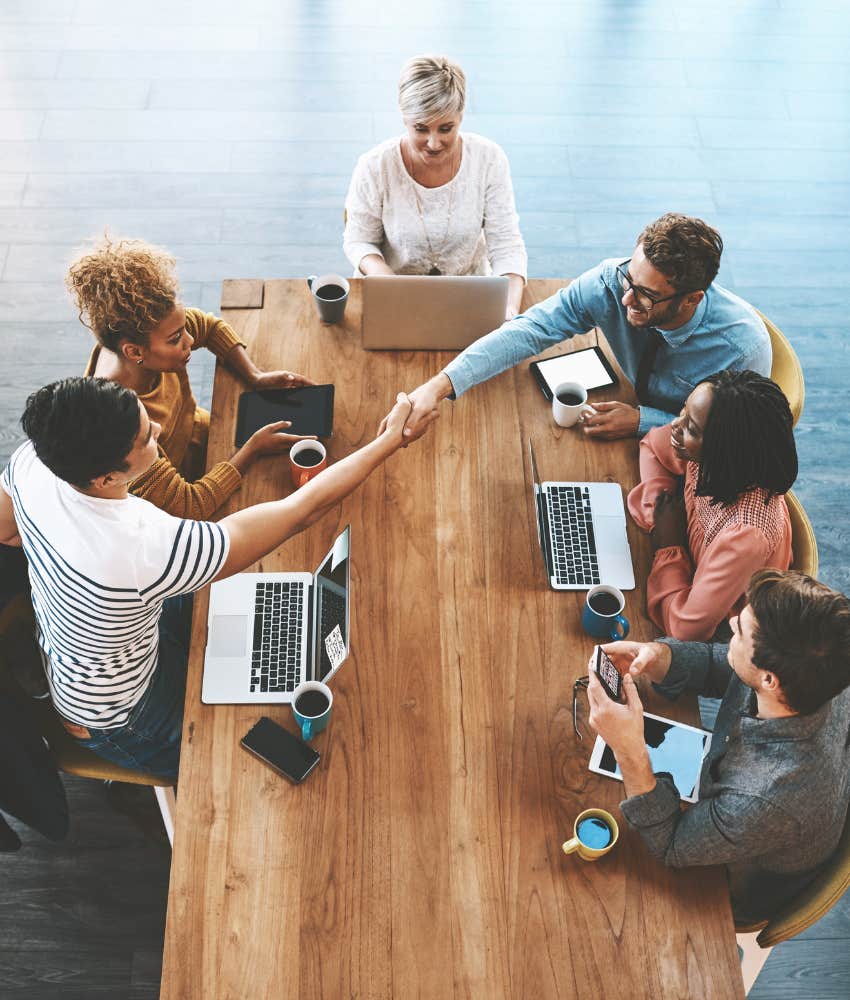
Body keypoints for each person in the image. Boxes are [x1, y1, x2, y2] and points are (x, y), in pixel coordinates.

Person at [0, 377, 413, 779]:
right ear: (106, 478)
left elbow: (5, 530)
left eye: (146, 419)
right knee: (226, 767)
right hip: (121, 714)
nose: (158, 430)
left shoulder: (31, 461)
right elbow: (299, 513)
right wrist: (389, 442)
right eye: (145, 439)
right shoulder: (141, 546)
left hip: (85, 658)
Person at [586, 569, 850, 925]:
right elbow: (729, 669)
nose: (730, 622)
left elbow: (672, 844)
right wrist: (659, 656)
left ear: (770, 680)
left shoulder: (764, 797)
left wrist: (629, 750)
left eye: (740, 631)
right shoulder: (814, 677)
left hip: (727, 882)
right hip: (734, 804)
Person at [400, 213, 772, 442]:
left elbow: (733, 438)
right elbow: (530, 329)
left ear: (691, 299)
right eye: (631, 277)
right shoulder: (612, 281)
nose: (626, 299)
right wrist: (440, 385)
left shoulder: (742, 349)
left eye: (646, 296)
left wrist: (644, 421)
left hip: (682, 457)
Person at [68, 235, 316, 520]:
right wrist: (253, 449)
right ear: (135, 351)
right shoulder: (121, 425)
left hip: (201, 436)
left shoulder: (145, 336)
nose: (189, 341)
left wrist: (255, 376)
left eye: (184, 327)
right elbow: (190, 505)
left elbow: (209, 327)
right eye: (175, 339)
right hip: (175, 491)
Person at [343, 54, 527, 320]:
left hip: (471, 298)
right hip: (394, 299)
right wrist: (390, 283)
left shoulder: (489, 159)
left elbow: (507, 244)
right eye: (420, 128)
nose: (433, 143)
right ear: (404, 118)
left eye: (446, 128)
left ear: (461, 116)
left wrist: (509, 310)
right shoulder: (374, 166)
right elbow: (359, 241)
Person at [627, 370, 797, 641]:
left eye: (692, 428)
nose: (675, 425)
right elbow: (652, 447)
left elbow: (686, 629)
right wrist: (659, 514)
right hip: (692, 580)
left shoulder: (745, 534)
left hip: (727, 631)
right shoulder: (707, 455)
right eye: (684, 409)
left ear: (726, 450)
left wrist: (669, 544)